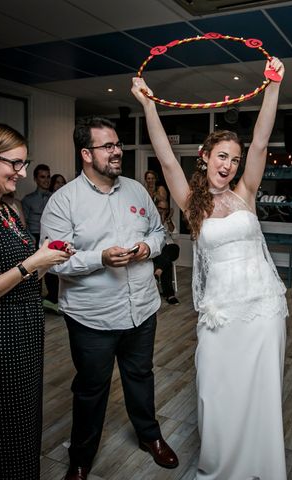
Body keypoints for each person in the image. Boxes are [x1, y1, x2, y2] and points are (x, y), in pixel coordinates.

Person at [131, 57, 288, 480]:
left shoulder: (246, 194)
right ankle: (220, 470)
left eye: (235, 160)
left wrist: (272, 86)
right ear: (204, 157)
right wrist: (148, 105)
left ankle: (262, 468)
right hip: (220, 314)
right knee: (217, 394)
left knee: (261, 394)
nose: (230, 165)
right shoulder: (192, 204)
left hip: (262, 311)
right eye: (223, 156)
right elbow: (165, 159)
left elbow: (260, 142)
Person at [40, 117, 178, 480]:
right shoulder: (63, 201)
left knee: (141, 376)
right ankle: (81, 459)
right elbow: (52, 260)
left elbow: (159, 231)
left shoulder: (136, 190)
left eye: (117, 144)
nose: (117, 152)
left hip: (142, 309)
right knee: (90, 389)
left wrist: (149, 246)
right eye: (108, 146)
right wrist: (98, 258)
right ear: (86, 153)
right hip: (91, 318)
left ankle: (150, 436)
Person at [0, 122, 72, 479]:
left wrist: (47, 260)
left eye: (24, 164)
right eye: (15, 164)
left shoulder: (9, 210)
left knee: (24, 429)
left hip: (23, 333)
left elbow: (19, 280)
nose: (22, 174)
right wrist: (31, 263)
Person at [43, 174, 68, 313]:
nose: (60, 185)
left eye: (62, 182)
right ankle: (52, 298)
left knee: (61, 265)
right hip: (45, 235)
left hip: (61, 235)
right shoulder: (49, 199)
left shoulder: (66, 199)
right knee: (50, 267)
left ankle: (58, 298)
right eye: (57, 182)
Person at [153, 198, 180, 305]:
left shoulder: (169, 221)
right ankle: (169, 294)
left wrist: (168, 220)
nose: (162, 211)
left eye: (165, 209)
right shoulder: (152, 220)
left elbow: (176, 236)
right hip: (157, 250)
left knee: (174, 248)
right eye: (160, 208)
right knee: (166, 262)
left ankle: (157, 273)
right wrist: (160, 220)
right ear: (156, 208)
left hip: (169, 249)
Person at [22, 163, 51, 244]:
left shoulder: (55, 198)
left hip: (51, 235)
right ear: (35, 179)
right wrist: (30, 237)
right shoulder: (28, 199)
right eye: (42, 177)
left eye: (48, 177)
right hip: (34, 236)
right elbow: (23, 222)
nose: (46, 180)